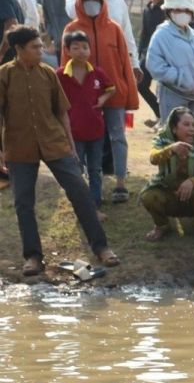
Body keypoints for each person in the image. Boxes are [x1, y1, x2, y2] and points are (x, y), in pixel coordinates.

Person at [1, 27, 115, 273]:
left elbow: (61, 111)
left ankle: (102, 248)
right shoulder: (5, 76)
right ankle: (32, 257)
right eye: (35, 47)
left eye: (42, 46)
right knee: (23, 202)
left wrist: (70, 144)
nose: (42, 50)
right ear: (19, 50)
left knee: (80, 192)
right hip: (19, 146)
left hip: (55, 142)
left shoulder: (48, 74)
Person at [59, 0, 132, 201]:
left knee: (118, 137)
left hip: (113, 90)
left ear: (103, 1)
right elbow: (63, 67)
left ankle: (120, 183)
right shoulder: (71, 30)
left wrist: (129, 93)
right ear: (79, 1)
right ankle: (83, 187)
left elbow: (124, 62)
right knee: (82, 138)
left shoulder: (114, 28)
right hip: (83, 97)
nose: (92, 2)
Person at [139, 100, 194, 234]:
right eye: (186, 124)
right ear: (174, 128)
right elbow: (153, 158)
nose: (192, 129)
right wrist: (171, 149)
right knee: (149, 196)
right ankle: (162, 225)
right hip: (168, 194)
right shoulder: (162, 140)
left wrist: (191, 181)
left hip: (192, 196)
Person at [54, 27, 106, 205]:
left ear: (90, 50)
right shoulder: (60, 75)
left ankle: (96, 200)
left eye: (85, 47)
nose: (81, 51)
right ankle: (81, 201)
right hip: (74, 132)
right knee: (76, 168)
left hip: (96, 130)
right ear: (67, 50)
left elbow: (111, 88)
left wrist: (102, 100)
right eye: (75, 47)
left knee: (95, 168)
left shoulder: (97, 73)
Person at [141, 0, 194, 120]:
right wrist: (179, 78)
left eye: (187, 10)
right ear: (169, 11)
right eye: (178, 10)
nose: (183, 13)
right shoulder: (161, 34)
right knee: (174, 136)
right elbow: (154, 65)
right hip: (172, 94)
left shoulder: (193, 34)